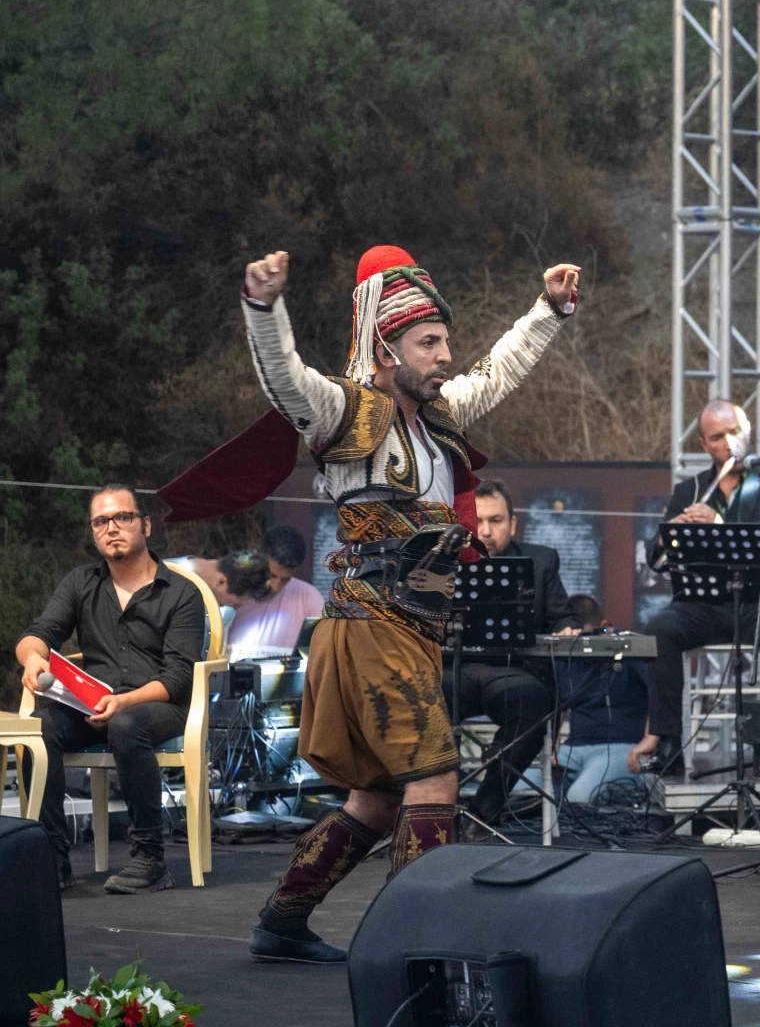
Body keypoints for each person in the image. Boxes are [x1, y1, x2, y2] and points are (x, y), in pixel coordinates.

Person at [183, 244, 581, 963]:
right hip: (373, 627)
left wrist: (547, 311)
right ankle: (416, 945)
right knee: (435, 777)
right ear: (385, 350)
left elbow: (501, 368)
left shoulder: (439, 415)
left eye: (445, 341)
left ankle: (282, 922)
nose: (446, 356)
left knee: (376, 799)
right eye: (429, 343)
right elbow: (284, 377)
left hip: (405, 631)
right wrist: (264, 308)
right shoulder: (342, 411)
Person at [14, 484, 205, 892]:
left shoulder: (181, 592)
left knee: (126, 724)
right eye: (101, 521)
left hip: (159, 705)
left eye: (122, 517)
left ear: (145, 525)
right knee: (39, 727)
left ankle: (150, 858)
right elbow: (39, 633)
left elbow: (178, 677)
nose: (111, 528)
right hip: (92, 704)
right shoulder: (81, 582)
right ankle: (53, 858)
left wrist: (123, 701)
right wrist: (32, 658)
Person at [630, 399, 760, 777]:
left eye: (735, 432)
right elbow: (656, 561)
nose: (729, 443)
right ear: (704, 445)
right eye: (717, 438)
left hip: (758, 602)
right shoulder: (689, 490)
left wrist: (720, 525)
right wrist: (670, 535)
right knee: (660, 630)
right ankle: (668, 742)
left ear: (749, 432)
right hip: (704, 604)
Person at [444, 478, 580, 829]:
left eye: (496, 521)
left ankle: (482, 813)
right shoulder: (440, 562)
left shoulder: (542, 560)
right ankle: (432, 811)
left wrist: (567, 628)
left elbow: (563, 616)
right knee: (416, 699)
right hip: (452, 670)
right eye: (477, 522)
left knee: (533, 705)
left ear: (513, 524)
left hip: (515, 673)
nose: (486, 531)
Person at [556, 595, 648, 803]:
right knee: (519, 790)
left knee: (579, 798)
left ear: (606, 627)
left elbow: (660, 692)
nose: (580, 646)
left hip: (623, 747)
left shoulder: (631, 646)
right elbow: (557, 703)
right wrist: (551, 748)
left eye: (585, 638)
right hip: (572, 749)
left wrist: (649, 741)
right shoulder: (564, 647)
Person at [226, 525, 325, 659]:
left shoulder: (308, 596)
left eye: (285, 579)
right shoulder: (232, 589)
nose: (276, 586)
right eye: (272, 575)